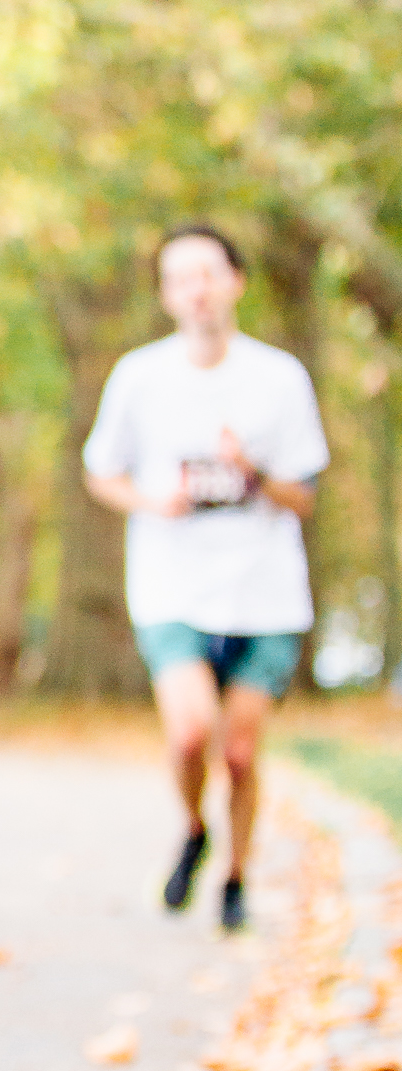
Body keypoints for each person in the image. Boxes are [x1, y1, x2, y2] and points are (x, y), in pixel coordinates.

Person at [83, 225, 327, 932]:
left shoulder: (280, 378)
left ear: (236, 282)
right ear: (166, 295)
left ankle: (236, 877)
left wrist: (253, 472)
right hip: (173, 589)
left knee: (241, 753)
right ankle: (194, 829)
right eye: (181, 278)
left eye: (210, 273)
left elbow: (304, 497)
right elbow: (101, 473)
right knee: (191, 736)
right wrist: (150, 501)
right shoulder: (140, 376)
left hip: (265, 595)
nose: (198, 290)